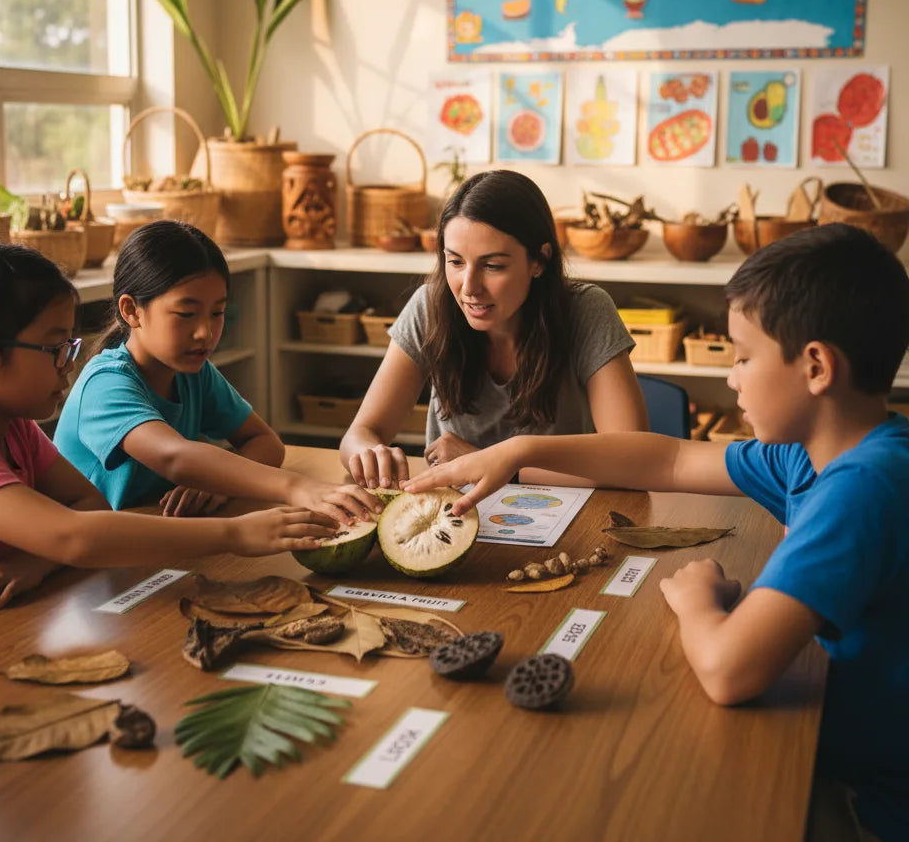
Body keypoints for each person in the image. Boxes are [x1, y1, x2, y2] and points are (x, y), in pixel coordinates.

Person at [404, 224, 909, 842]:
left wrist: (697, 599)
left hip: (871, 806)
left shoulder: (864, 486)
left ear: (815, 367)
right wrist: (517, 449)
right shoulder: (813, 454)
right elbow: (666, 460)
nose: (732, 378)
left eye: (743, 356)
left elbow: (729, 670)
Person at [0, 242, 338, 619]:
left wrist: (33, 562)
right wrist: (234, 534)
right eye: (55, 347)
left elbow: (87, 506)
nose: (69, 362)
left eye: (70, 344)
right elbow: (74, 536)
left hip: (1, 619)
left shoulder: (13, 428)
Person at [339, 169, 647, 489]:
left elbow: (636, 462)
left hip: (568, 516)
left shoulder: (586, 310)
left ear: (539, 261)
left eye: (492, 266)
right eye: (455, 262)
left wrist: (491, 463)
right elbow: (359, 434)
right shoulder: (430, 306)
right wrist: (369, 454)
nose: (469, 288)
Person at [56, 220, 379, 522]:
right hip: (97, 554)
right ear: (132, 311)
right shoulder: (104, 385)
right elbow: (175, 457)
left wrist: (216, 481)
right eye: (186, 313)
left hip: (162, 536)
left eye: (218, 312)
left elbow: (265, 442)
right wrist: (298, 487)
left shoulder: (194, 373)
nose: (205, 333)